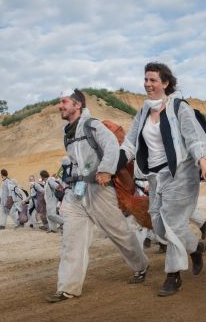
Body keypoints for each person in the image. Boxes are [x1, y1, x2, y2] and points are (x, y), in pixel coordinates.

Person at [46, 89, 149, 303]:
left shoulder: (93, 125)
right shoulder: (68, 132)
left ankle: (141, 266)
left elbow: (112, 146)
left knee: (119, 232)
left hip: (100, 190)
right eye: (59, 102)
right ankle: (68, 288)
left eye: (64, 102)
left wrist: (105, 170)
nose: (60, 106)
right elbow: (76, 162)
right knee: (71, 239)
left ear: (77, 105)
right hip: (77, 192)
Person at [120, 62, 206, 297]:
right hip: (155, 175)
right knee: (158, 225)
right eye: (146, 79)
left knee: (171, 223)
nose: (147, 84)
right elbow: (130, 144)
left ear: (165, 83)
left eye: (152, 80)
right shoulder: (142, 112)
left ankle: (173, 275)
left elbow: (194, 138)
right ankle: (195, 247)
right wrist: (114, 163)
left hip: (180, 173)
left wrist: (203, 163)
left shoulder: (179, 107)